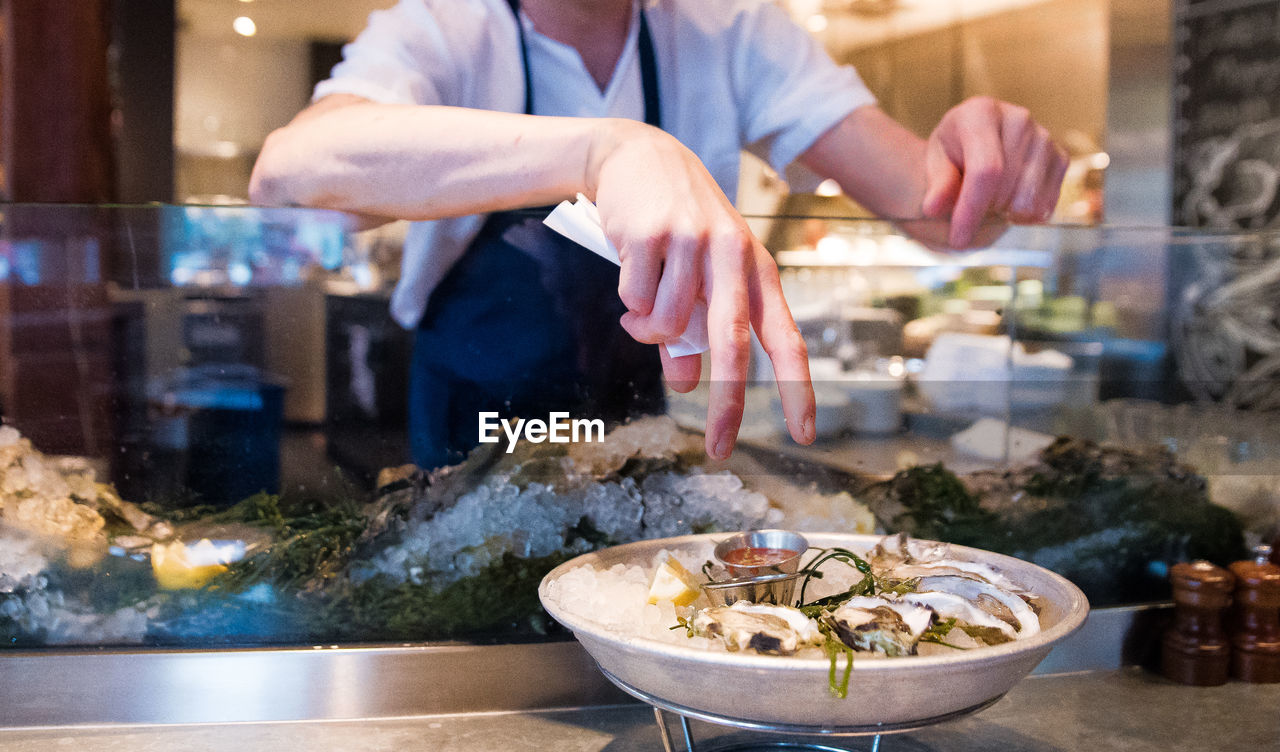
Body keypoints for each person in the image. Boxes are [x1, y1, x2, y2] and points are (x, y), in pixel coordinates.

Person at [250, 0, 1068, 468]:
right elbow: (288, 175)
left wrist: (984, 163)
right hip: (473, 414)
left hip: (640, 411)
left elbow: (937, 209)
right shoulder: (447, 25)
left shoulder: (731, 27)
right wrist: (607, 147)